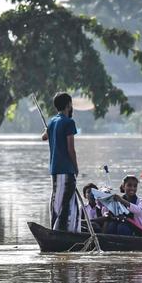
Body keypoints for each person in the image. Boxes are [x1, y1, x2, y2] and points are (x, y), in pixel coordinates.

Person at [42, 92, 80, 233]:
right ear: (68, 105)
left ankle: (64, 230)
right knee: (64, 203)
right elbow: (71, 149)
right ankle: (60, 233)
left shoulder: (53, 121)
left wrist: (48, 129)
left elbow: (43, 137)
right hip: (66, 169)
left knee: (60, 201)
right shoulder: (69, 122)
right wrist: (76, 168)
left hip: (55, 169)